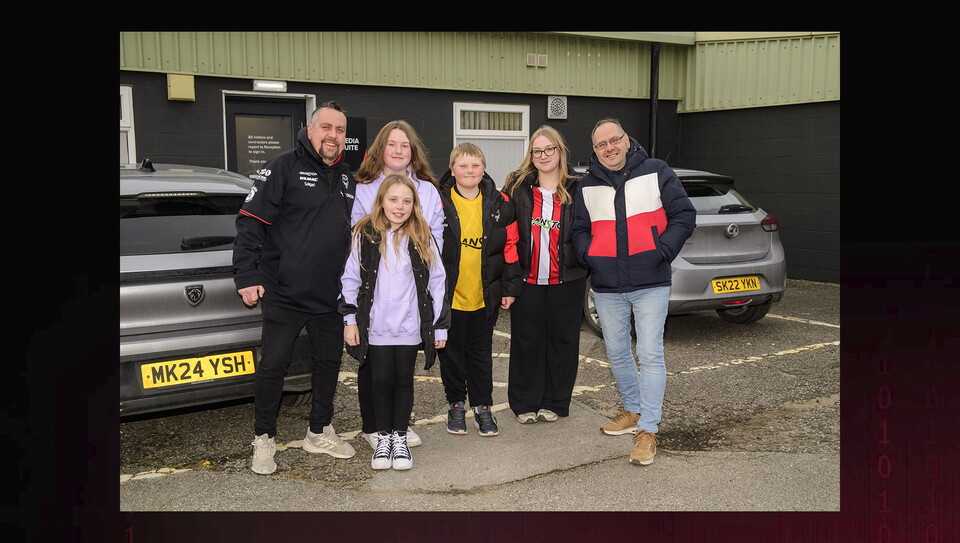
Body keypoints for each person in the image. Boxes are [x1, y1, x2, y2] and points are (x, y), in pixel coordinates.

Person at [233, 101, 358, 475]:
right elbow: (250, 223)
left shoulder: (348, 177)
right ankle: (263, 439)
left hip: (329, 297)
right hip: (284, 292)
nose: (332, 135)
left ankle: (318, 431)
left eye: (339, 130)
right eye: (326, 128)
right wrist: (247, 276)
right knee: (273, 366)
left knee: (328, 365)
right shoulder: (282, 166)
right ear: (310, 128)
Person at [571, 118, 696, 466]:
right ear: (594, 150)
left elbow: (684, 214)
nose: (609, 148)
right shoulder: (586, 185)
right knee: (617, 352)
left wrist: (663, 251)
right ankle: (634, 411)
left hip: (650, 282)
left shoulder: (656, 170)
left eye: (615, 140)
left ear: (626, 140)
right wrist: (589, 256)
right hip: (607, 284)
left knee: (651, 354)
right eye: (601, 145)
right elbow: (580, 228)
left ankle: (649, 430)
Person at [340, 174, 449, 470]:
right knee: (380, 381)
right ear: (381, 202)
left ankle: (399, 437)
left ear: (414, 205)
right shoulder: (365, 233)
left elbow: (438, 283)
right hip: (375, 328)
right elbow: (350, 279)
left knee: (403, 383)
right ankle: (383, 437)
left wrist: (439, 326)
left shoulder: (421, 234)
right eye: (393, 200)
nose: (399, 207)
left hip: (409, 327)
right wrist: (350, 320)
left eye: (406, 201)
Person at [351, 120, 444, 450]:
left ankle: (398, 427)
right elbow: (357, 238)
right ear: (380, 149)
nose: (398, 150)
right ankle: (374, 426)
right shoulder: (363, 186)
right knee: (373, 364)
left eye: (404, 145)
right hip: (374, 289)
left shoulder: (428, 189)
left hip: (411, 282)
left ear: (412, 151)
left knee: (402, 368)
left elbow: (435, 236)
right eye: (392, 144)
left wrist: (424, 264)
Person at [502, 125, 587, 424]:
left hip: (568, 279)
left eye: (549, 149)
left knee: (563, 342)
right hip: (528, 279)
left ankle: (555, 401)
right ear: (531, 156)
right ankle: (525, 402)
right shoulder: (517, 188)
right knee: (526, 342)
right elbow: (504, 231)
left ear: (560, 151)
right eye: (537, 151)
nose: (543, 155)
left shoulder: (579, 189)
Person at [437, 143, 522, 437]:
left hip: (484, 295)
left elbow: (510, 248)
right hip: (450, 297)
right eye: (463, 166)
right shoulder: (438, 200)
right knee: (451, 354)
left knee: (480, 354)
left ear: (483, 168)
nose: (469, 171)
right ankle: (456, 405)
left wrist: (510, 287)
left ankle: (483, 407)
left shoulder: (500, 203)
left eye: (475, 165)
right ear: (452, 170)